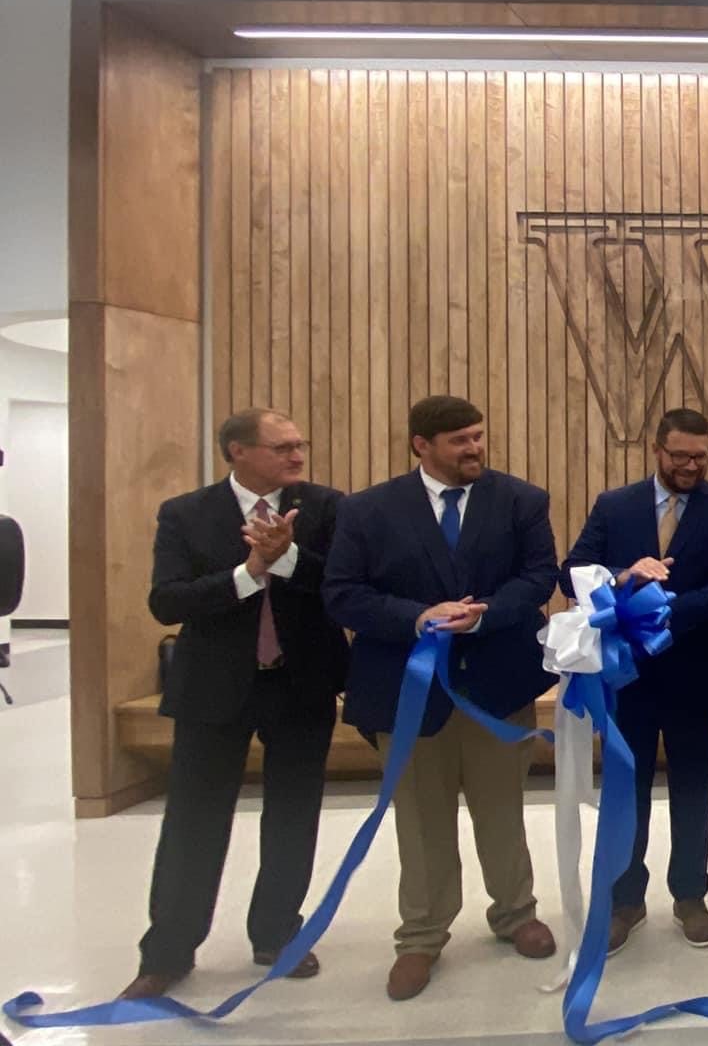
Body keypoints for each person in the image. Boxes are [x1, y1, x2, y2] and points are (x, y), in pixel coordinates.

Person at [324, 395, 560, 1001]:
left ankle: (515, 914)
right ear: (421, 446)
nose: (474, 449)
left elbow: (537, 578)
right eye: (459, 441)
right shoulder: (368, 510)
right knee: (422, 821)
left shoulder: (521, 501)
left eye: (478, 436)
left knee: (502, 810)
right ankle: (422, 938)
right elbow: (343, 594)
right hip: (409, 695)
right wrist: (417, 615)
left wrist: (483, 616)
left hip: (497, 688)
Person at [120, 409, 350, 1000]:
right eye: (281, 447)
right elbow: (167, 602)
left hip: (300, 684)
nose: (297, 456)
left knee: (293, 816)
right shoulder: (185, 514)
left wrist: (289, 558)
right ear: (236, 452)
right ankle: (168, 951)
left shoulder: (326, 507)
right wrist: (249, 572)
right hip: (213, 691)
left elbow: (344, 587)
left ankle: (277, 934)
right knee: (194, 821)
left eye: (301, 444)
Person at [562, 408, 708, 954]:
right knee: (628, 790)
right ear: (656, 450)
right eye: (681, 456)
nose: (692, 465)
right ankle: (626, 899)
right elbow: (573, 571)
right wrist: (624, 581)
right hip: (627, 677)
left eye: (701, 456)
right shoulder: (614, 505)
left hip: (696, 670)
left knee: (693, 786)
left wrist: (659, 610)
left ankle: (691, 893)